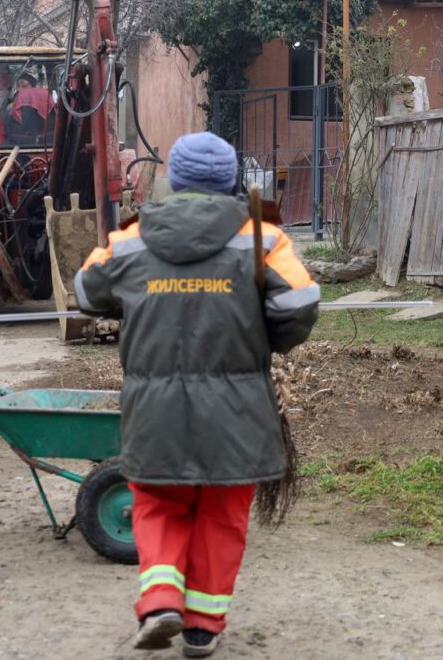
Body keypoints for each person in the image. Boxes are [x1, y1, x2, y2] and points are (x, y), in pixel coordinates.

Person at [74, 132, 319, 657]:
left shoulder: (131, 239)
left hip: (154, 408)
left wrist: (130, 302)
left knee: (157, 503)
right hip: (238, 409)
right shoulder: (262, 238)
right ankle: (202, 626)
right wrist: (266, 338)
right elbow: (300, 302)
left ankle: (161, 598)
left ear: (175, 180)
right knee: (222, 513)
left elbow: (85, 291)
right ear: (231, 181)